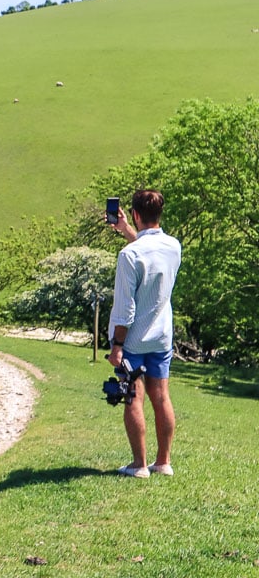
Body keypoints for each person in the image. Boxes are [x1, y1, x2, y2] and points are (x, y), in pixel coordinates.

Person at [106, 189, 182, 478]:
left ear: (136, 214)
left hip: (134, 339)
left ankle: (139, 465)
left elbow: (125, 308)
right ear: (159, 214)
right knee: (161, 396)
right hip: (162, 335)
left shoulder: (129, 255)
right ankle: (163, 461)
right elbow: (151, 256)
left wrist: (117, 346)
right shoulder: (173, 246)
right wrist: (126, 230)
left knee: (132, 396)